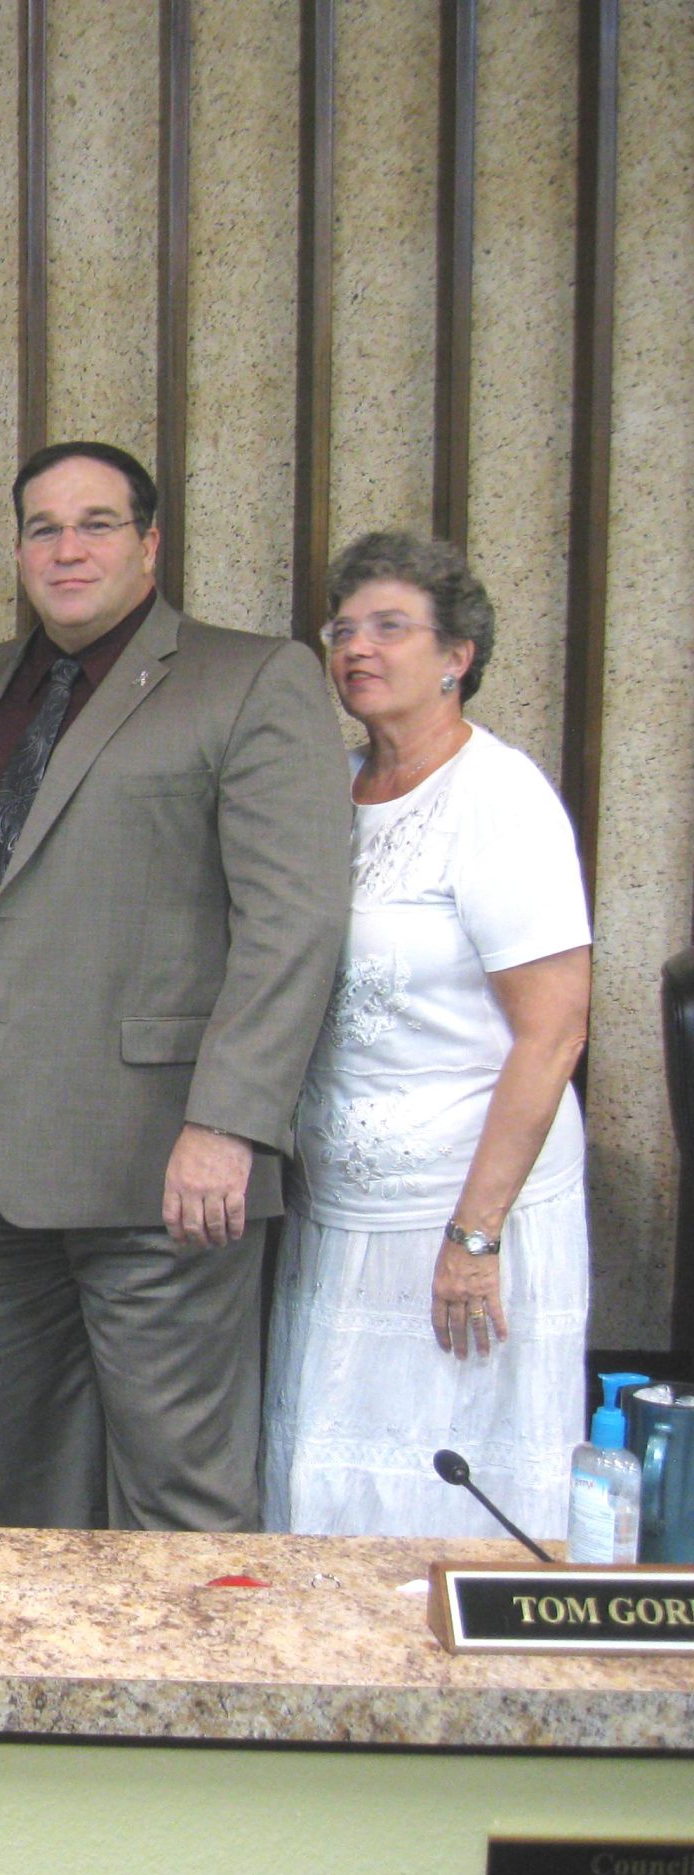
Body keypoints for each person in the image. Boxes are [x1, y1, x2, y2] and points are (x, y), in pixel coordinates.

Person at [0, 442, 351, 1532]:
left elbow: (292, 922)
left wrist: (229, 1124)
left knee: (179, 1489)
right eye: (43, 527)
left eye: (95, 523)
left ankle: (196, 1701)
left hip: (163, 1163)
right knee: (33, 1487)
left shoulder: (250, 677)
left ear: (149, 544)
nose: (66, 549)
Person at [264, 533, 591, 1540]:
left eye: (390, 627)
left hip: (465, 1221)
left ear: (458, 655)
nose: (358, 647)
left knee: (451, 1505)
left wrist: (474, 1234)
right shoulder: (329, 796)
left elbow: (554, 1031)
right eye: (342, 629)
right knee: (329, 1490)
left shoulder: (498, 797)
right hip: (339, 1218)